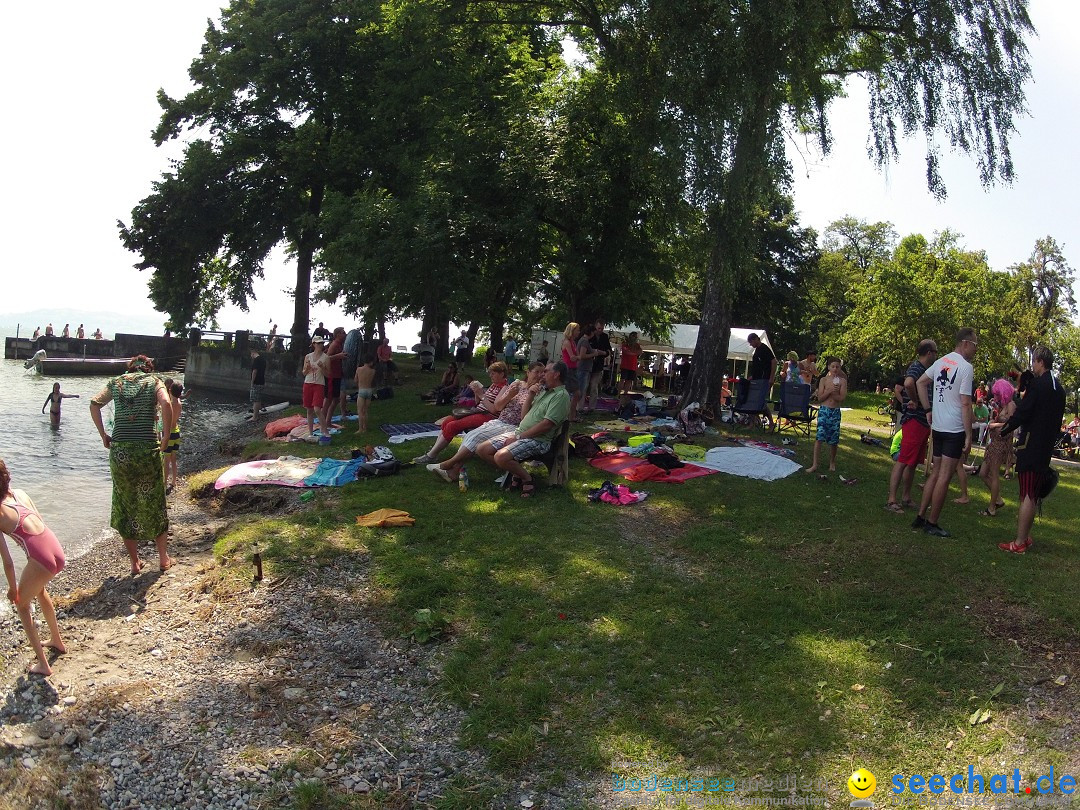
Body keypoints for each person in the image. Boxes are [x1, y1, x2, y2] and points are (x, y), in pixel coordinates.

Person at [89, 355, 174, 574]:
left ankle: (135, 563)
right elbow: (165, 402)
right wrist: (165, 436)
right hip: (147, 451)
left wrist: (103, 435)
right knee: (154, 502)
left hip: (121, 454)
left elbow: (94, 404)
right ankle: (163, 559)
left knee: (125, 504)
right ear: (148, 368)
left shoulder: (116, 383)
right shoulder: (155, 382)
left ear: (130, 369)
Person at [990, 346, 1066, 553]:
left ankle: (1019, 541)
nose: (1033, 365)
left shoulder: (1038, 385)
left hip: (1030, 445)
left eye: (1034, 361)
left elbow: (1022, 413)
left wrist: (1003, 429)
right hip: (1045, 447)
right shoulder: (1059, 388)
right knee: (1032, 493)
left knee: (1027, 495)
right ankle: (1025, 537)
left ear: (1040, 362)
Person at [0, 459, 67, 676]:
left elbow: (8, 562)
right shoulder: (19, 493)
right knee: (40, 590)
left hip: (41, 560)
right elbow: (40, 521)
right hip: (56, 550)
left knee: (21, 605)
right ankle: (57, 640)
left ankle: (43, 665)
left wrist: (13, 589)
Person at [427, 362, 546, 483]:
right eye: (537, 372)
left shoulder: (541, 391)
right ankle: (453, 471)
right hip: (500, 421)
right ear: (528, 372)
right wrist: (509, 395)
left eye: (543, 372)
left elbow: (529, 417)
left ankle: (447, 466)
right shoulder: (517, 384)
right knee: (470, 436)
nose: (541, 375)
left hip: (513, 426)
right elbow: (498, 406)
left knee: (475, 437)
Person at [912, 328, 978, 537]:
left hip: (939, 427)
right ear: (965, 343)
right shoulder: (966, 368)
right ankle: (932, 522)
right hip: (954, 428)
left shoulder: (941, 361)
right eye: (975, 345)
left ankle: (921, 515)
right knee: (944, 476)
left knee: (936, 472)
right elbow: (966, 403)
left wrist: (928, 409)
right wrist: (969, 435)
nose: (976, 350)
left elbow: (921, 382)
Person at [476, 361, 571, 498]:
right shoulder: (543, 391)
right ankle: (517, 473)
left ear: (556, 374)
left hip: (538, 440)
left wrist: (519, 437)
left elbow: (546, 425)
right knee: (482, 449)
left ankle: (527, 478)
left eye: (546, 371)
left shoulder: (560, 396)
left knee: (500, 457)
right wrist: (530, 396)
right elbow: (523, 416)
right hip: (521, 433)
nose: (542, 375)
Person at [412, 362, 510, 463]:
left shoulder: (505, 388)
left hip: (488, 416)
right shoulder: (494, 385)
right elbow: (477, 402)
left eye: (493, 373)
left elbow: (494, 409)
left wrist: (481, 395)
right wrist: (476, 392)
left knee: (453, 425)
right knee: (447, 421)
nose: (490, 376)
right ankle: (434, 451)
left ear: (502, 374)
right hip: (478, 411)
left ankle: (431, 456)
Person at [885, 339, 938, 513]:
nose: (937, 355)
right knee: (903, 460)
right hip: (915, 420)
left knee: (913, 462)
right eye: (936, 352)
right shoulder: (916, 367)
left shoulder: (926, 370)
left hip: (923, 421)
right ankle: (892, 500)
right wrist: (915, 400)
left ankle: (906, 497)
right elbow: (908, 383)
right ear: (929, 352)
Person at [977, 378, 1017, 517]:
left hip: (1001, 444)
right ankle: (998, 499)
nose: (996, 397)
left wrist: (994, 425)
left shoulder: (1011, 405)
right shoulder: (1002, 406)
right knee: (983, 473)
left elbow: (1011, 424)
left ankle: (992, 508)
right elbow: (999, 420)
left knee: (994, 475)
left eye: (997, 394)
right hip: (994, 443)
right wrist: (994, 420)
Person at [806, 358, 848, 473]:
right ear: (829, 367)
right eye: (833, 366)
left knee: (834, 439)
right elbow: (820, 398)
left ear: (840, 368)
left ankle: (832, 463)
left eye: (837, 367)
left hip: (835, 411)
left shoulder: (843, 381)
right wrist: (829, 391)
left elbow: (841, 398)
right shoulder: (824, 380)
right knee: (819, 437)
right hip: (824, 410)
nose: (835, 369)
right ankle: (815, 464)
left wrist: (834, 393)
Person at [747, 333, 777, 430]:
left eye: (751, 342)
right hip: (756, 379)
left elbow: (774, 361)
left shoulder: (764, 349)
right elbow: (758, 366)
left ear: (756, 339)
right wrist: (752, 376)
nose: (751, 345)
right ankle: (752, 423)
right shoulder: (757, 350)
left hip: (764, 379)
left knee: (761, 401)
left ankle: (771, 423)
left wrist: (771, 377)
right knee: (752, 401)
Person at [575, 323, 605, 415]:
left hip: (585, 368)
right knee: (581, 389)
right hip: (583, 368)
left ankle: (577, 409)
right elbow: (582, 355)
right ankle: (577, 409)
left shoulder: (584, 341)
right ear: (591, 332)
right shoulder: (584, 341)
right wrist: (594, 354)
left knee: (582, 389)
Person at [302, 337, 329, 437]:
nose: (320, 345)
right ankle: (310, 433)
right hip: (308, 383)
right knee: (309, 409)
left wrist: (322, 367)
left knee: (317, 409)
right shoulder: (308, 356)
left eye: (321, 343)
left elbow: (328, 374)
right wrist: (308, 367)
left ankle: (325, 430)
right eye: (318, 343)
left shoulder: (326, 357)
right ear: (314, 344)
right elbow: (304, 372)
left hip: (319, 384)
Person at [322, 327, 349, 428]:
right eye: (343, 332)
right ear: (338, 334)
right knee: (328, 400)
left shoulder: (340, 345)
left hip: (337, 375)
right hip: (331, 376)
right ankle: (323, 422)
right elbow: (327, 358)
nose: (345, 334)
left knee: (336, 400)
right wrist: (338, 356)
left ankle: (328, 421)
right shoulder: (334, 344)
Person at [586, 320, 613, 410]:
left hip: (598, 365)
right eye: (598, 328)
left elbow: (608, 350)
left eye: (602, 328)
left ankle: (591, 407)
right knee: (584, 385)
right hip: (588, 364)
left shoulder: (605, 337)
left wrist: (603, 353)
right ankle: (580, 406)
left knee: (594, 386)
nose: (600, 330)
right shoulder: (590, 335)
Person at [163, 381, 183, 493]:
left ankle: (165, 482)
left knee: (166, 459)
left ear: (169, 390)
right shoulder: (179, 404)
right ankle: (174, 480)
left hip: (169, 433)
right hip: (177, 432)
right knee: (173, 458)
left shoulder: (169, 405)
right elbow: (178, 397)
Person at [560, 322, 581, 419]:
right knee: (571, 394)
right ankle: (568, 415)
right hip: (568, 370)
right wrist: (579, 357)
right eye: (577, 330)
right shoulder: (567, 342)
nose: (579, 332)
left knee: (576, 394)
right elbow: (572, 357)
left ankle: (571, 415)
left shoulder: (573, 342)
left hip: (573, 369)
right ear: (572, 331)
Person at [354, 355, 377, 433]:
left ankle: (360, 429)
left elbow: (355, 380)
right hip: (369, 391)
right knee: (365, 410)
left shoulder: (359, 369)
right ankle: (365, 427)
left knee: (360, 411)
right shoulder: (373, 371)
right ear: (371, 362)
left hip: (361, 390)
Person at [249, 347, 267, 421]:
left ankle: (255, 417)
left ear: (253, 353)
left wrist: (252, 381)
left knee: (255, 399)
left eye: (251, 354)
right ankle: (257, 414)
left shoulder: (256, 360)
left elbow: (254, 371)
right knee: (258, 398)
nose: (251, 356)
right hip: (262, 381)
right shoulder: (263, 360)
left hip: (257, 382)